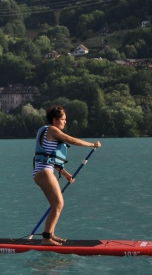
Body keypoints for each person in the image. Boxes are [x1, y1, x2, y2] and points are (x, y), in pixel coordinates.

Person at [33, 105, 101, 245]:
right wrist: (91, 145)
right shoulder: (52, 130)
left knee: (55, 204)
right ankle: (46, 238)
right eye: (63, 119)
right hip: (44, 172)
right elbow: (72, 140)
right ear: (55, 120)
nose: (65, 122)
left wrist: (65, 174)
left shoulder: (48, 131)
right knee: (58, 204)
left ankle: (50, 234)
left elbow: (50, 158)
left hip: (44, 170)